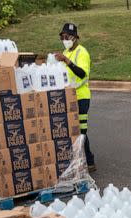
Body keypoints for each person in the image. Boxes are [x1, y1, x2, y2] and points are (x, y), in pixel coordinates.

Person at [55, 22, 96, 172]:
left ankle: (89, 161)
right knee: (74, 130)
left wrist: (67, 61)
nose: (64, 40)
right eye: (62, 37)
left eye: (67, 37)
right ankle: (81, 159)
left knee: (81, 131)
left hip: (81, 96)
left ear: (75, 37)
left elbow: (82, 73)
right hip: (69, 96)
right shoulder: (66, 53)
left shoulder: (81, 52)